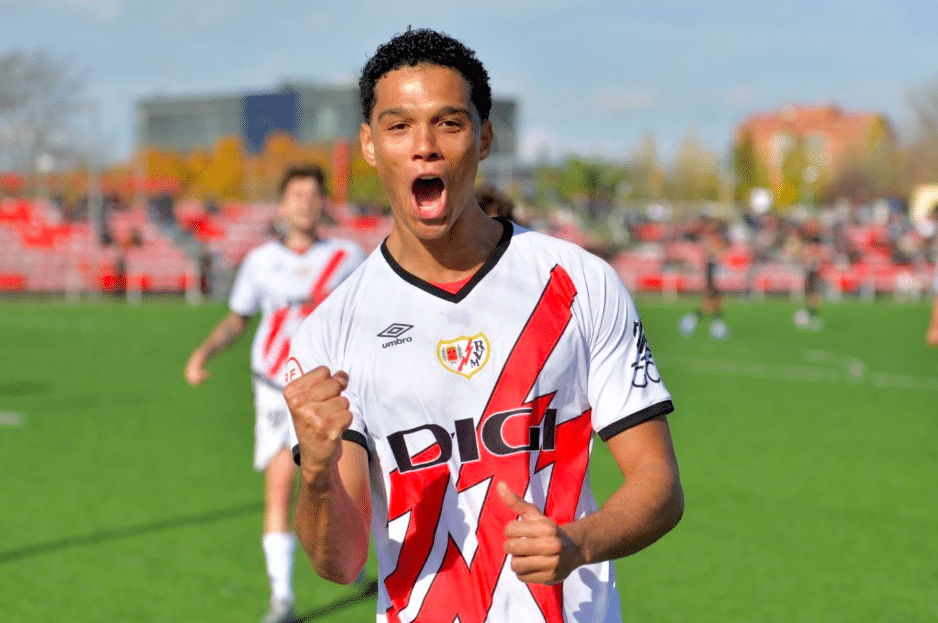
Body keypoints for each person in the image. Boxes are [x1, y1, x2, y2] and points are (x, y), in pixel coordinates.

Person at [283, 28, 684, 623]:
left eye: (449, 123)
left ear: (485, 137)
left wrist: (580, 543)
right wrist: (316, 472)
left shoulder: (578, 282)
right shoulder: (332, 330)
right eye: (399, 127)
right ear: (369, 145)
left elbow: (659, 486)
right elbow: (339, 564)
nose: (425, 146)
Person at [184, 164, 365, 623]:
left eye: (312, 194)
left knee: (352, 488)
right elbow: (237, 319)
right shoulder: (260, 261)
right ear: (283, 205)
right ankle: (282, 598)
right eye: (296, 194)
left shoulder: (348, 256)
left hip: (331, 394)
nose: (305, 202)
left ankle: (381, 567)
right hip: (275, 392)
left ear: (323, 203)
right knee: (280, 488)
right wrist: (203, 353)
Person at [679, 216, 728, 339]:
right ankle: (691, 322)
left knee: (716, 303)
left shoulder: (713, 240)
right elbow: (714, 256)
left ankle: (715, 327)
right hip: (712, 275)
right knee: (712, 303)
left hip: (713, 275)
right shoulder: (712, 241)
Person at [793, 217, 825, 331]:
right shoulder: (809, 241)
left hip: (813, 270)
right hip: (810, 270)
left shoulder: (815, 242)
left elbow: (815, 256)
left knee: (813, 294)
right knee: (811, 294)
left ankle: (813, 316)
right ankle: (812, 315)